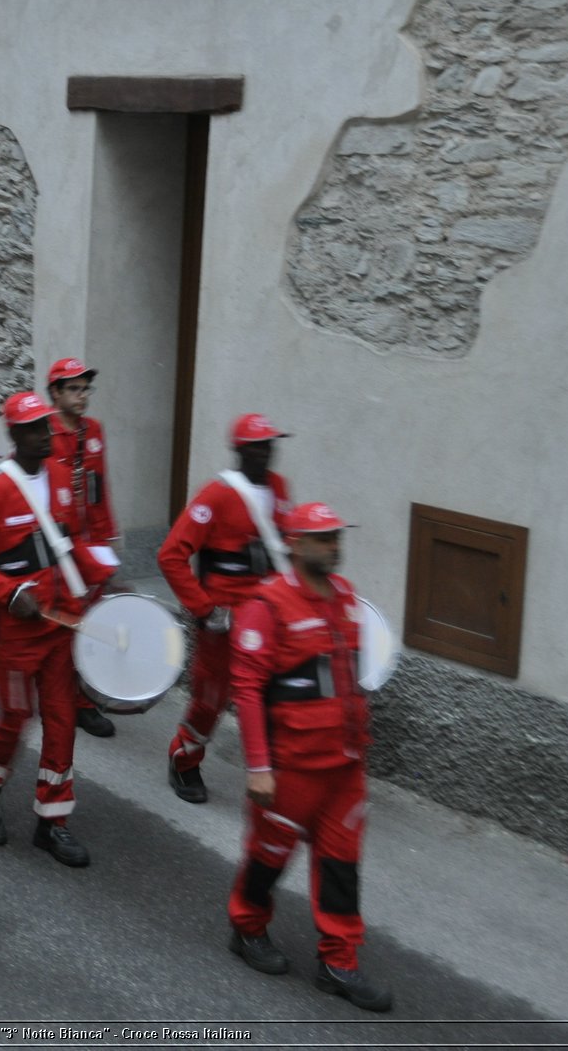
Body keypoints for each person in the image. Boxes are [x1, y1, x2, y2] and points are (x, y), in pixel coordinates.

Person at [225, 502, 391, 1013]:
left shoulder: (344, 596)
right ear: (296, 545)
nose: (334, 547)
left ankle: (338, 962)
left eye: (337, 538)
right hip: (290, 767)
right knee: (270, 856)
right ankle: (247, 926)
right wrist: (258, 766)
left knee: (342, 864)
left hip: (343, 767)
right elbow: (248, 689)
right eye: (323, 539)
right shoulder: (266, 606)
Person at [0, 391, 116, 867]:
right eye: (37, 429)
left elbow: (71, 540)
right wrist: (7, 592)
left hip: (62, 628)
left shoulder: (62, 476)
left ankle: (52, 819)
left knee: (62, 721)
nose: (48, 434)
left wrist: (98, 574)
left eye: (48, 426)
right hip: (18, 635)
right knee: (15, 718)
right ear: (16, 436)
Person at [157, 413, 292, 804]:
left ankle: (271, 774)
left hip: (269, 617)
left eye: (270, 445)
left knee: (275, 696)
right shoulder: (215, 495)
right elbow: (171, 555)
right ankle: (184, 760)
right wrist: (203, 609)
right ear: (241, 452)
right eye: (257, 447)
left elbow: (285, 546)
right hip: (224, 618)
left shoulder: (280, 487)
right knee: (210, 698)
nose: (266, 454)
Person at [46, 357, 119, 739]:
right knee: (66, 625)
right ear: (55, 393)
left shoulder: (95, 431)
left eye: (85, 389)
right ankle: (69, 698)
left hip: (91, 543)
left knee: (91, 621)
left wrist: (108, 538)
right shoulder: (42, 433)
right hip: (59, 546)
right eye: (73, 389)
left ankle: (85, 698)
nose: (81, 396)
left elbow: (100, 488)